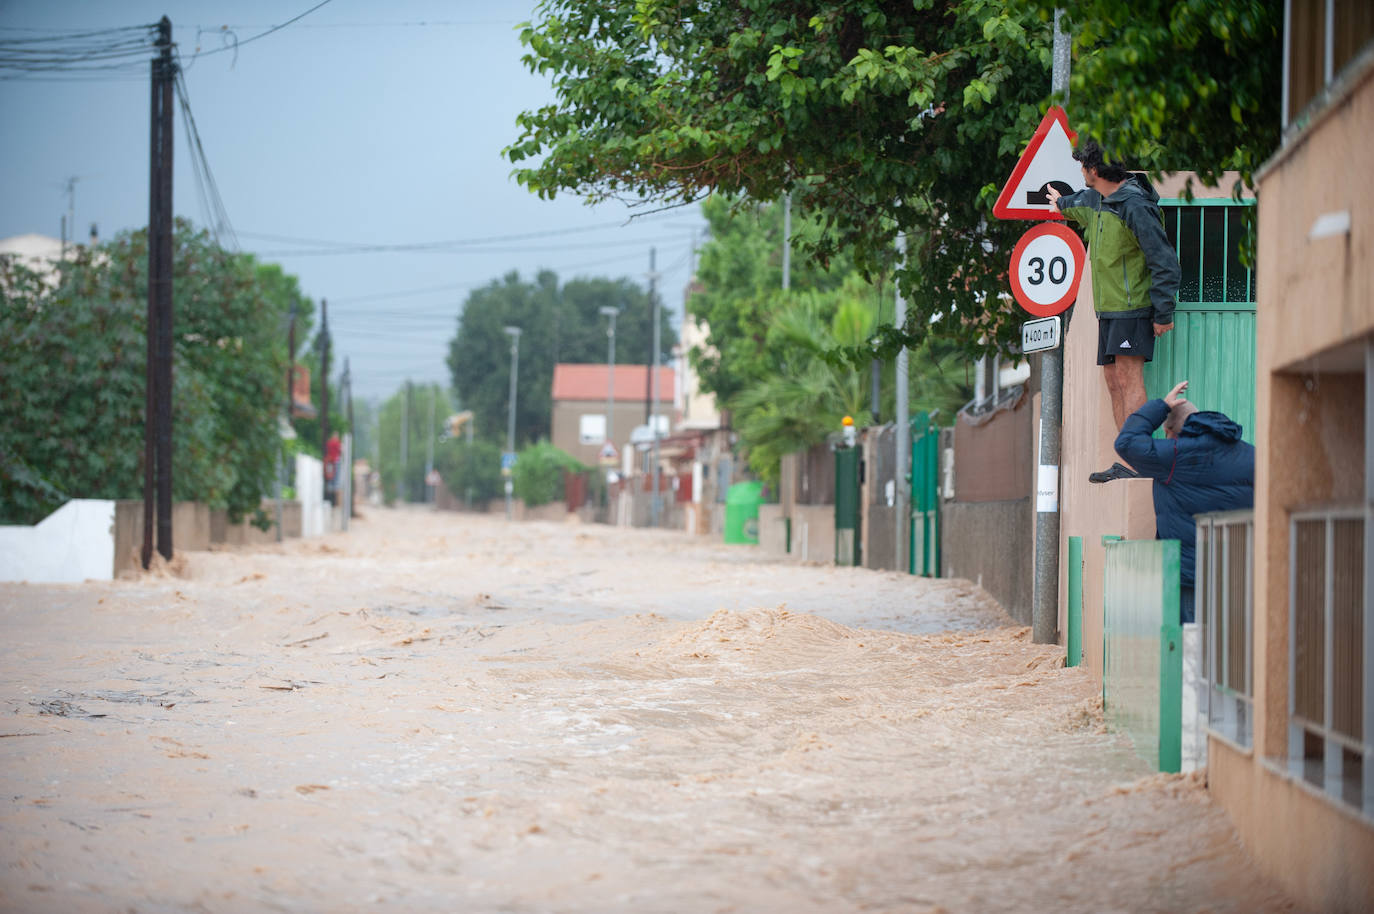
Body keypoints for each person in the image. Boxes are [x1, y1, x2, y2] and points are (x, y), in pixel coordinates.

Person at [1046, 139, 1182, 484]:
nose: (1081, 173)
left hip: (1133, 306)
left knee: (1128, 378)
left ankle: (1141, 462)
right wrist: (1057, 202)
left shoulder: (1134, 206)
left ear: (1093, 171)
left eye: (1083, 168)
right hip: (1108, 310)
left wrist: (1163, 312)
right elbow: (1074, 204)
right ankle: (1129, 457)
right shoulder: (1097, 199)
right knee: (1113, 380)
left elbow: (1164, 260)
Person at [1113, 380, 1255, 624]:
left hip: (1191, 576)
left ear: (1171, 431)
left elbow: (1126, 442)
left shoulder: (1175, 456)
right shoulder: (1250, 454)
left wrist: (1161, 406)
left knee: (1191, 651)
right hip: (1238, 573)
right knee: (1233, 650)